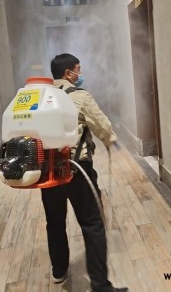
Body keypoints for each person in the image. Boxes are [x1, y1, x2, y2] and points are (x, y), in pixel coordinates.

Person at [41, 53, 128, 292]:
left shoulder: (42, 97)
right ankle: (100, 285)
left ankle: (59, 270)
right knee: (93, 224)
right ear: (68, 73)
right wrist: (111, 141)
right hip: (77, 169)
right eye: (78, 69)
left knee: (55, 222)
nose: (80, 74)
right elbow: (103, 126)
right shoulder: (79, 96)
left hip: (48, 172)